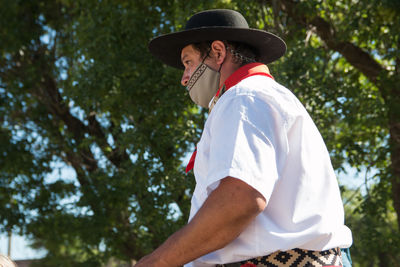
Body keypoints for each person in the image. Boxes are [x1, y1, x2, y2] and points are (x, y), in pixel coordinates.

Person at [139, 9, 353, 267]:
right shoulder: (265, 96)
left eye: (188, 63)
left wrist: (156, 262)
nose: (184, 79)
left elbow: (240, 199)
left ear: (218, 52)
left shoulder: (243, 98)